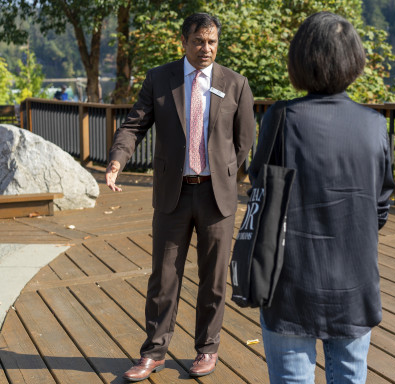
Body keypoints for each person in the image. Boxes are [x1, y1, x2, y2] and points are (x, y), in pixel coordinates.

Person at [105, 13, 255, 381]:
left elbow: (244, 138)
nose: (206, 49)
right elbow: (134, 124)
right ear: (184, 41)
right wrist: (116, 160)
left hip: (216, 197)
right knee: (164, 276)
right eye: (199, 41)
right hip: (173, 194)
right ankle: (153, 352)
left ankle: (207, 349)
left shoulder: (235, 83)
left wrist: (225, 172)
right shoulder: (160, 78)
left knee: (214, 278)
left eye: (213, 42)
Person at [249, 12, 395, 384]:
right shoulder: (375, 125)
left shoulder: (281, 118)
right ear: (355, 61)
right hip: (354, 282)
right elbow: (381, 207)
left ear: (300, 59)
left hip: (289, 281)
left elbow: (259, 186)